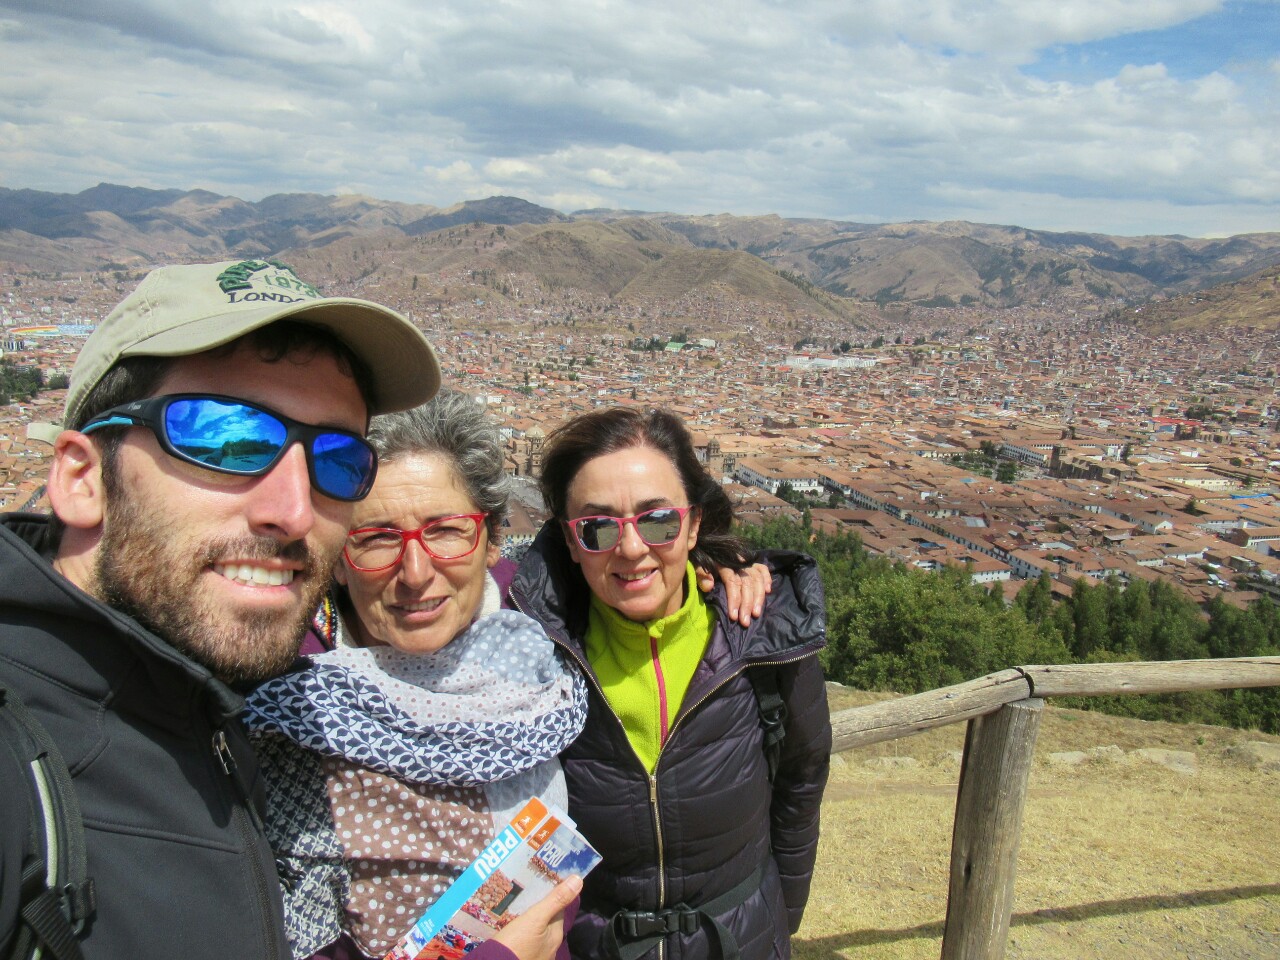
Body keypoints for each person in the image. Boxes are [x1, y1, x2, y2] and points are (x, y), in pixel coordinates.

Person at [0, 259, 445, 959]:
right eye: (224, 436)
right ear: (83, 478)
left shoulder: (228, 714)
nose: (294, 512)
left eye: (337, 459)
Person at [242, 390, 587, 960]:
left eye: (446, 530)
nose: (416, 573)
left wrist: (726, 561)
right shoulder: (285, 695)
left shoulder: (530, 639)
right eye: (376, 538)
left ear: (492, 537)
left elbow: (641, 567)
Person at [509, 407, 832, 960]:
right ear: (567, 540)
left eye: (658, 520)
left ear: (694, 523)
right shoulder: (532, 650)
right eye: (597, 527)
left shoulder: (761, 640)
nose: (631, 548)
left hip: (740, 940)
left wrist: (782, 916)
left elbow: (801, 780)